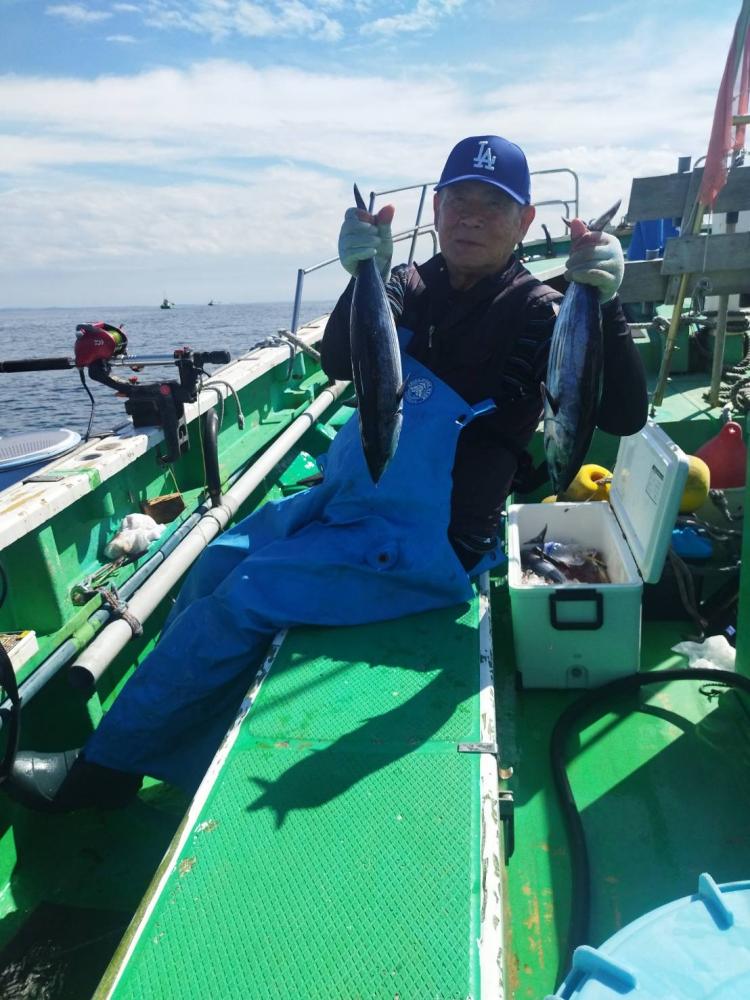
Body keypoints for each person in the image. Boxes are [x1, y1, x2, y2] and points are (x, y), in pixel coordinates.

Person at [6, 135, 647, 813]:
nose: (471, 217)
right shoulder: (407, 285)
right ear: (436, 209)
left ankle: (104, 773)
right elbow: (341, 361)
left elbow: (623, 415)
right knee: (215, 563)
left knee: (246, 593)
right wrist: (363, 271)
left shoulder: (542, 310)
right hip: (350, 502)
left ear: (524, 222)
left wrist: (605, 303)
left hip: (430, 544)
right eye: (458, 200)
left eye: (494, 205)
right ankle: (167, 743)